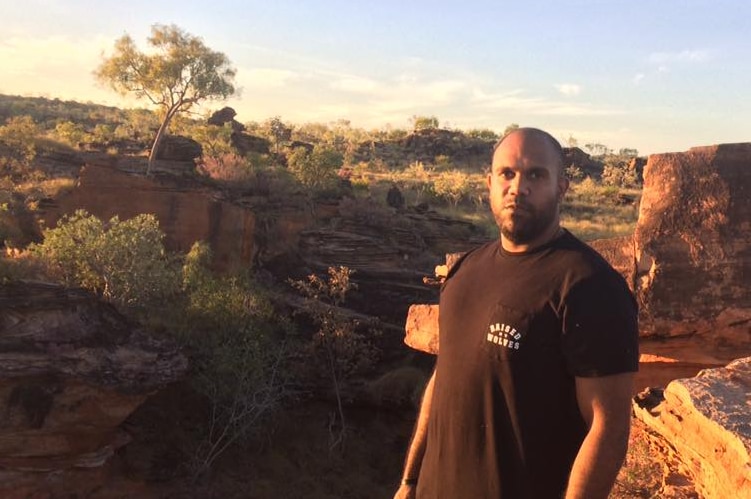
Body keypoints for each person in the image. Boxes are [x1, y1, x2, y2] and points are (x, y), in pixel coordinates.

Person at [394, 128, 639, 499]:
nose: (518, 186)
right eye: (507, 173)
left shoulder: (589, 286)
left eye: (536, 175)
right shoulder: (465, 271)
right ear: (489, 182)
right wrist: (410, 480)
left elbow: (608, 429)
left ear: (562, 187)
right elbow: (443, 378)